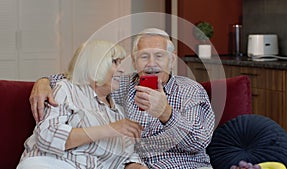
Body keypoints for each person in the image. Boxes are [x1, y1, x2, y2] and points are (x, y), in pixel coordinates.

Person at [29, 28, 215, 169]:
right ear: (134, 61)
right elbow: (83, 77)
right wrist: (43, 82)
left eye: (159, 56)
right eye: (143, 57)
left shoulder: (190, 90)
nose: (151, 64)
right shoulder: (121, 85)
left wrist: (166, 113)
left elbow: (199, 142)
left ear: (172, 60)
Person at [18, 40, 147, 169]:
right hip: (51, 163)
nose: (122, 70)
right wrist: (110, 129)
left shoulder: (117, 112)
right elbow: (47, 135)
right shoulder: (67, 89)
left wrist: (137, 166)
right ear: (95, 65)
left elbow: (126, 158)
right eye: (115, 62)